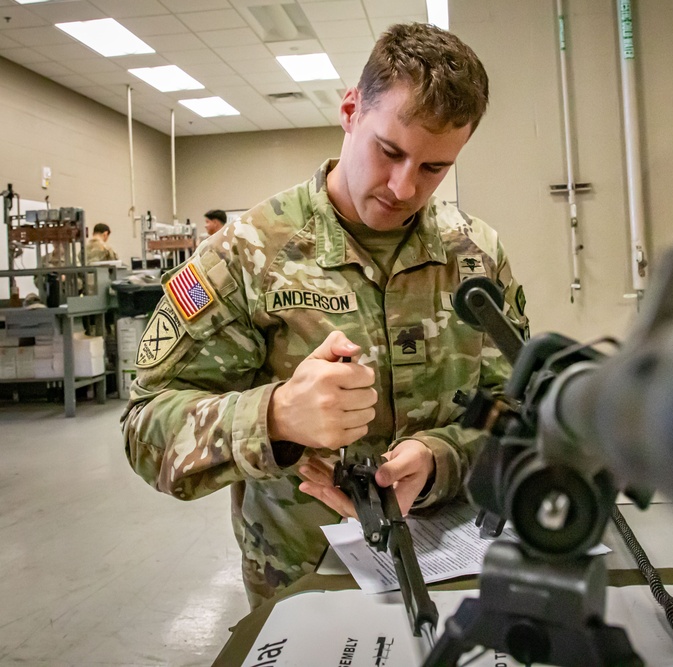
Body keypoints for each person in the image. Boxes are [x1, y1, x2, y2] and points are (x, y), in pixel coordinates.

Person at [122, 22, 528, 608]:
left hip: (454, 565)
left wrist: (440, 457)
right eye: (389, 151)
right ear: (349, 111)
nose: (403, 186)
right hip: (304, 576)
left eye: (434, 168)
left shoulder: (479, 256)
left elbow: (513, 406)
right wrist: (277, 415)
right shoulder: (247, 253)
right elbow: (145, 427)